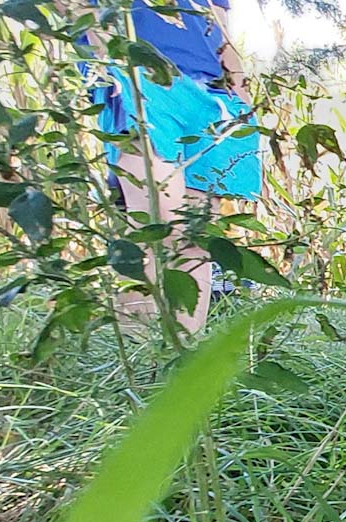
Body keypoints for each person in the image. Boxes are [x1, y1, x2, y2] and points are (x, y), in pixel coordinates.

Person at [95, 0, 262, 336]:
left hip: (209, 94)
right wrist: (102, 49)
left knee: (195, 239)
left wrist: (239, 87)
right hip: (137, 74)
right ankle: (140, 365)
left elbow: (218, 25)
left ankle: (180, 371)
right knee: (157, 231)